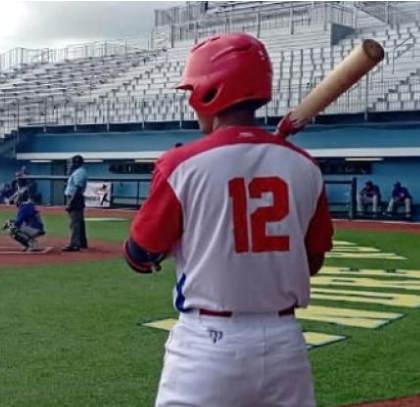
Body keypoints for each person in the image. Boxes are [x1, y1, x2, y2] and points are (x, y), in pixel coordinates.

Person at [123, 33, 334, 407]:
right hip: (285, 345)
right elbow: (312, 261)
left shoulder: (180, 164)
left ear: (209, 91)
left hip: (208, 346)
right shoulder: (305, 165)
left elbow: (140, 254)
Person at [63, 154, 88, 252]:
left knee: (75, 222)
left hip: (75, 198)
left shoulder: (79, 172)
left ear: (77, 163)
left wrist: (71, 203)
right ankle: (82, 242)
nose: (71, 164)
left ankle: (75, 244)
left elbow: (78, 188)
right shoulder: (78, 171)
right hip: (76, 198)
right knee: (79, 221)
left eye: (73, 162)